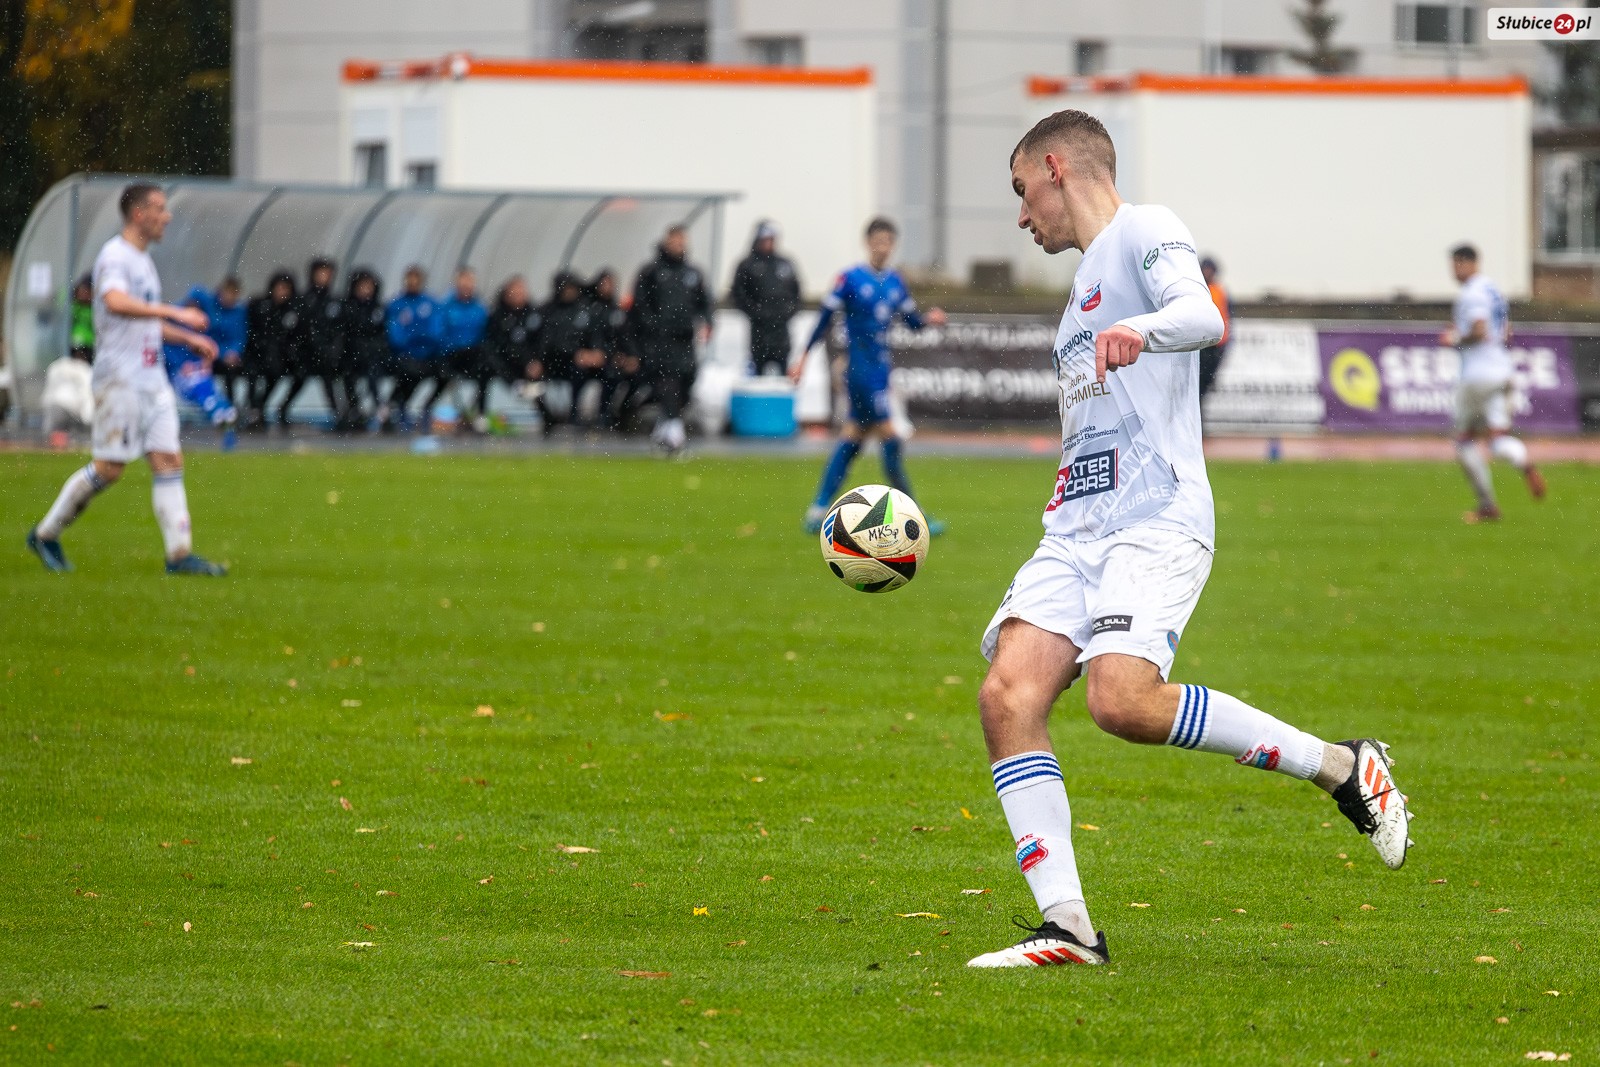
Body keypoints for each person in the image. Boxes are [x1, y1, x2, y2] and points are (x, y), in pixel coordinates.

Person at [966, 110, 1410, 969]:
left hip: (1154, 517)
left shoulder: (1144, 227)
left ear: (1056, 166)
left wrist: (1143, 330)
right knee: (1006, 697)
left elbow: (1201, 316)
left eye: (1022, 192)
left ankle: (1341, 764)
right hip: (1075, 527)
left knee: (1121, 702)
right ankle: (1069, 929)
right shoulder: (1079, 291)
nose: (1022, 217)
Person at [25, 183, 227, 576]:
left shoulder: (143, 260)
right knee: (109, 468)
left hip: (151, 380)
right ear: (138, 214)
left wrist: (187, 337)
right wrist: (176, 312)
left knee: (168, 459)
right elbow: (115, 302)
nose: (167, 216)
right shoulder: (115, 256)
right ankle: (46, 534)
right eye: (159, 209)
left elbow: (142, 318)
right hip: (120, 380)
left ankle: (179, 556)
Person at [790, 217, 948, 534]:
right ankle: (915, 516)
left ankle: (817, 510)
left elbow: (911, 322)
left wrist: (928, 320)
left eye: (887, 242)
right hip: (860, 369)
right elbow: (824, 319)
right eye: (877, 241)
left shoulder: (895, 282)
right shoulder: (850, 279)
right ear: (867, 243)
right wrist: (804, 356)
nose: (882, 247)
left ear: (893, 245)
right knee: (890, 436)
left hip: (880, 369)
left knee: (854, 437)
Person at [1442, 244, 1546, 524]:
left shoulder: (1473, 292)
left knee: (1464, 441)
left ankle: (1487, 506)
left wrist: (1454, 339)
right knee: (1497, 438)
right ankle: (1525, 462)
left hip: (1477, 374)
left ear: (1467, 263)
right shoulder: (1493, 290)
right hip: (1501, 370)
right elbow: (1507, 332)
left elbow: (1479, 329)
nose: (1453, 270)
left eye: (1455, 264)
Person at [631, 225, 712, 454]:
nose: (678, 246)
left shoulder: (693, 273)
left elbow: (704, 302)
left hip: (685, 339)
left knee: (687, 380)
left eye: (681, 242)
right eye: (674, 242)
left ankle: (663, 427)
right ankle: (675, 434)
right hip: (660, 340)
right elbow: (640, 305)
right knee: (668, 382)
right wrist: (654, 327)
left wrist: (707, 322)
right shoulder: (651, 272)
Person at [278, 257, 343, 427]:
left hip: (325, 354)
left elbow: (338, 331)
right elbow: (294, 329)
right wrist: (295, 351)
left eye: (328, 274)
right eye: (321, 273)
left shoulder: (334, 301)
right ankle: (282, 409)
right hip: (305, 353)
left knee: (328, 382)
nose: (324, 277)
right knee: (300, 379)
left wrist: (332, 350)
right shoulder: (303, 300)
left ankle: (339, 414)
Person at [731, 221, 801, 377]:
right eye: (765, 239)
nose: (768, 243)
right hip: (759, 330)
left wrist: (788, 312)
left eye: (771, 239)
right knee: (758, 370)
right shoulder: (748, 265)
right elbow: (738, 294)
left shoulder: (785, 264)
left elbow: (796, 292)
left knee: (783, 369)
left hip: (781, 329)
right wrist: (756, 312)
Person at [535, 271, 602, 433]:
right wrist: (574, 353)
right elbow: (548, 342)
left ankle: (598, 415)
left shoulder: (585, 309)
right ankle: (549, 417)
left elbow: (595, 335)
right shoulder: (548, 310)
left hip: (581, 361)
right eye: (567, 288)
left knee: (608, 373)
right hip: (554, 361)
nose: (570, 291)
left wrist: (597, 352)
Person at [383, 265, 443, 433]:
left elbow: (436, 333)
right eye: (410, 281)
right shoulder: (396, 305)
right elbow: (396, 336)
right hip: (406, 355)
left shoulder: (431, 304)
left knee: (446, 373)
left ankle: (426, 407)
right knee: (409, 371)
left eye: (416, 281)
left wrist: (420, 340)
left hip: (428, 355)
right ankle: (400, 409)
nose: (413, 284)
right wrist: (416, 341)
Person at [243, 270, 302, 431]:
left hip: (279, 358)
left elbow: (294, 337)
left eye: (286, 289)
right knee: (252, 373)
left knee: (284, 372)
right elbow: (251, 332)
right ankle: (253, 409)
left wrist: (288, 353)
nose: (282, 293)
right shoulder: (259, 305)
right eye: (279, 288)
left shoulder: (292, 310)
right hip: (256, 354)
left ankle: (262, 406)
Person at [484, 274, 547, 424]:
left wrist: (536, 361)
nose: (519, 293)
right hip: (506, 362)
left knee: (542, 370)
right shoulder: (498, 316)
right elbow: (498, 344)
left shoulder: (534, 314)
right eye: (515, 290)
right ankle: (484, 414)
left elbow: (541, 341)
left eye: (522, 290)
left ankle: (548, 417)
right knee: (488, 361)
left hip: (529, 362)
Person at [437, 267, 490, 431]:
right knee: (441, 376)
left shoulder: (479, 309)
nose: (467, 285)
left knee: (486, 369)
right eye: (464, 281)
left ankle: (480, 413)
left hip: (472, 356)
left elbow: (485, 335)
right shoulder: (446, 307)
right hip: (451, 355)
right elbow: (439, 334)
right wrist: (451, 348)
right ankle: (430, 411)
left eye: (470, 282)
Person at [586, 268, 639, 431]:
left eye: (610, 284)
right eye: (604, 284)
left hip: (611, 359)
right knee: (608, 373)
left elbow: (625, 337)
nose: (607, 287)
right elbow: (589, 336)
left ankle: (621, 412)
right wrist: (594, 353)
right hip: (588, 359)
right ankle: (600, 414)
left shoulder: (618, 311)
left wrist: (631, 356)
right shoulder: (589, 309)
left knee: (635, 375)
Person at [338, 268, 387, 432]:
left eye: (369, 286)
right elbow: (344, 334)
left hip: (371, 355)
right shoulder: (347, 307)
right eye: (362, 286)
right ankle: (353, 409)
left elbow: (382, 335)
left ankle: (379, 407)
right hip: (350, 355)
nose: (366, 290)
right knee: (349, 377)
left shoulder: (377, 309)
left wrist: (373, 349)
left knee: (373, 375)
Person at [207, 277, 248, 410]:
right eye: (227, 293)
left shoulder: (239, 312)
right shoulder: (211, 308)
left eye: (232, 294)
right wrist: (221, 353)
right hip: (211, 353)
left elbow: (240, 337)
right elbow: (208, 336)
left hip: (229, 356)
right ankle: (210, 402)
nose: (229, 297)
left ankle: (231, 405)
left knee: (233, 370)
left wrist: (234, 352)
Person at [1198, 257, 1230, 404]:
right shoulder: (1198, 290)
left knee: (1206, 383)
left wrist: (1225, 344)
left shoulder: (1219, 291)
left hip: (1216, 346)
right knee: (1197, 383)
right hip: (1200, 345)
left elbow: (1228, 317)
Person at [69, 275, 95, 362]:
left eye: (86, 291)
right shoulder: (74, 306)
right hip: (74, 342)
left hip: (89, 344)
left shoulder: (94, 308)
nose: (83, 294)